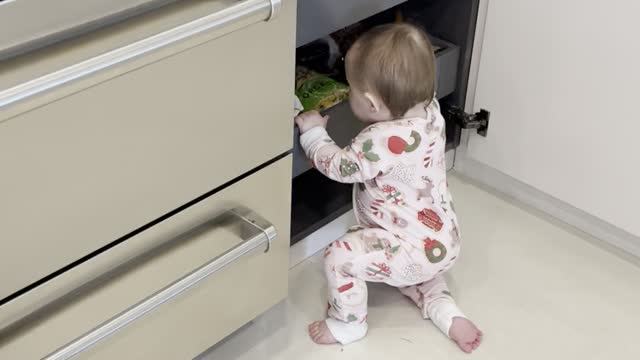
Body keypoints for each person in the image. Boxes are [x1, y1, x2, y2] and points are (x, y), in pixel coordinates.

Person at [295, 23, 483, 353]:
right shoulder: (431, 113)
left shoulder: (378, 141)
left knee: (339, 257)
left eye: (351, 89)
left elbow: (339, 167)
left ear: (371, 103)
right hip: (441, 239)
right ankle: (445, 310)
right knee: (421, 272)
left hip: (410, 245)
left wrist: (313, 134)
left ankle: (347, 324)